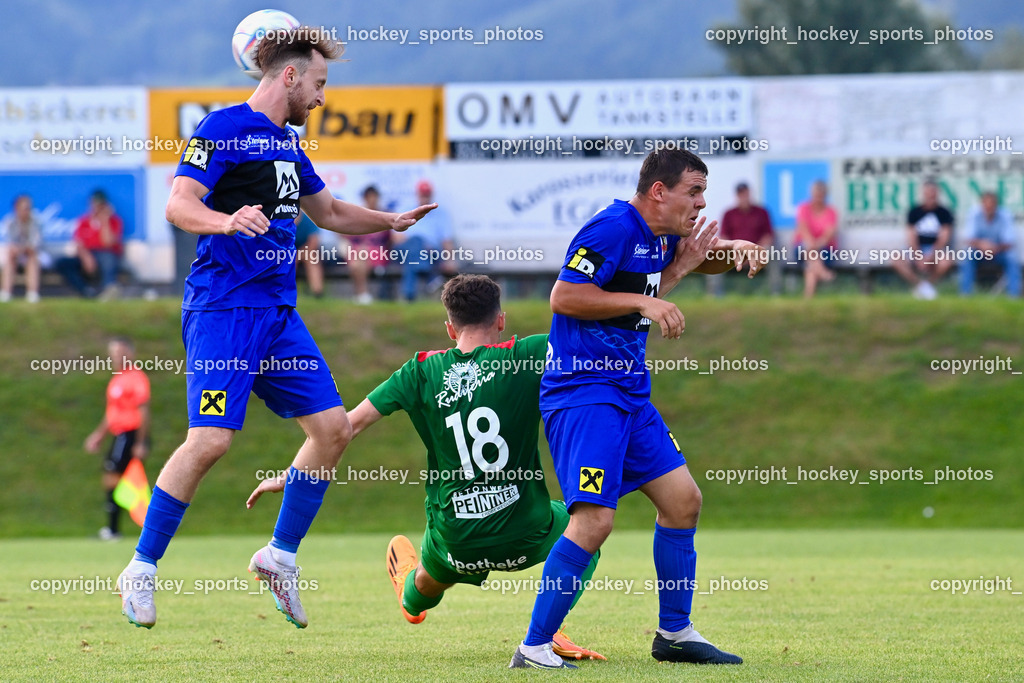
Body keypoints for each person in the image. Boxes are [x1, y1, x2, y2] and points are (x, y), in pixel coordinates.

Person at [115, 27, 436, 631]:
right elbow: (179, 204)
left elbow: (330, 212)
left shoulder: (288, 143)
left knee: (333, 429)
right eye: (318, 83)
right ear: (289, 76)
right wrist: (225, 219)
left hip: (277, 316)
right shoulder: (222, 128)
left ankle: (279, 557)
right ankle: (141, 567)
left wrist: (390, 219)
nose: (321, 96)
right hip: (223, 312)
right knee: (211, 441)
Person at [246, 274, 604, 661]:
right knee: (587, 533)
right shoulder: (529, 354)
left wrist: (293, 474)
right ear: (501, 321)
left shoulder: (418, 371)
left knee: (428, 585)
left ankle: (411, 593)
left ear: (450, 328)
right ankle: (546, 630)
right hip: (526, 530)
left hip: (457, 538)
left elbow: (345, 428)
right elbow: (592, 342)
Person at [510, 149, 765, 670]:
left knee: (683, 501)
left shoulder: (661, 233)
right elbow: (565, 296)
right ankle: (534, 647)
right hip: (585, 393)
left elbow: (696, 256)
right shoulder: (613, 228)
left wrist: (734, 248)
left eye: (704, 192)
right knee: (594, 522)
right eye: (694, 191)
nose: (702, 202)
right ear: (659, 192)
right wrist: (644, 302)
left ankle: (675, 633)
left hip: (628, 392)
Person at [85, 337, 151, 541]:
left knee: (116, 478)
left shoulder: (136, 378)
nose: (116, 357)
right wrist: (99, 435)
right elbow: (112, 413)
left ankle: (116, 529)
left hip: (130, 434)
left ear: (130, 353)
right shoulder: (117, 379)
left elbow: (144, 411)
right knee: (112, 478)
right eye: (113, 353)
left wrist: (140, 441)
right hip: (119, 434)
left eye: (120, 352)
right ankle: (114, 528)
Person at [891, 179, 955, 300]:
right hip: (916, 249)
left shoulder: (945, 213)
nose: (930, 196)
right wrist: (918, 256)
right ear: (923, 194)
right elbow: (911, 236)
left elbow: (944, 238)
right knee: (896, 258)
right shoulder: (914, 212)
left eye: (933, 193)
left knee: (946, 261)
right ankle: (920, 285)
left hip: (935, 250)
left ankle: (928, 285)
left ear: (937, 194)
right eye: (928, 192)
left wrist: (931, 256)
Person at [393, 180, 457, 301]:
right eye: (423, 195)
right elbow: (396, 238)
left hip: (430, 253)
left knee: (413, 259)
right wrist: (420, 244)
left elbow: (446, 241)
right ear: (417, 194)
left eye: (427, 195)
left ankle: (409, 295)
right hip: (406, 250)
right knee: (416, 242)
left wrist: (450, 260)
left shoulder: (441, 214)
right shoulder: (406, 209)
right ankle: (431, 278)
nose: (425, 198)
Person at [55, 190, 124, 300]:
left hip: (105, 253)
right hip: (88, 253)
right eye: (95, 204)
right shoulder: (84, 221)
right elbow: (78, 243)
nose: (97, 207)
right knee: (63, 263)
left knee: (108, 258)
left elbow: (108, 243)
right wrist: (86, 257)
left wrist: (105, 220)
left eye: (100, 204)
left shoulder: (114, 221)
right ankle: (86, 291)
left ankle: (109, 288)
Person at [712, 182, 774, 295]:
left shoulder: (762, 212)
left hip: (756, 250)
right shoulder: (729, 214)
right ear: (737, 196)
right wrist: (737, 252)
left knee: (773, 254)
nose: (744, 197)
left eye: (746, 194)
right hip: (734, 252)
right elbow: (724, 237)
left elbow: (768, 236)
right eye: (741, 194)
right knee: (715, 254)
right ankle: (715, 293)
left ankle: (774, 292)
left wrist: (754, 251)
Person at [959, 192, 1021, 297]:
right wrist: (982, 245)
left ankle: (1014, 295)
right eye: (986, 204)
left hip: (999, 252)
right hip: (979, 252)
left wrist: (994, 248)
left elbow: (1009, 242)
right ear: (982, 204)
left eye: (992, 204)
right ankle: (965, 294)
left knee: (1011, 257)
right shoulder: (974, 214)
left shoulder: (1005, 215)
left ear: (996, 205)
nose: (989, 207)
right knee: (967, 255)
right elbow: (968, 239)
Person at [344, 185, 392, 304]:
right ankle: (362, 294)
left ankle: (361, 294)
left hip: (379, 252)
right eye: (370, 197)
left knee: (359, 257)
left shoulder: (384, 215)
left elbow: (389, 239)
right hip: (358, 252)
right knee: (357, 260)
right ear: (365, 198)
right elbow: (349, 235)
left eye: (374, 197)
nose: (373, 200)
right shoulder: (358, 215)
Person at [793, 180, 838, 298]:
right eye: (816, 195)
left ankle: (808, 299)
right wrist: (811, 244)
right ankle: (824, 273)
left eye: (820, 195)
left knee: (810, 267)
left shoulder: (831, 212)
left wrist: (817, 245)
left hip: (824, 251)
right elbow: (803, 229)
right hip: (803, 249)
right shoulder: (804, 208)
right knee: (810, 253)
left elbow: (829, 234)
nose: (818, 198)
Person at [1, 194, 42, 303]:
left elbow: (35, 243)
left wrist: (23, 248)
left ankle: (32, 293)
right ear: (17, 208)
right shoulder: (10, 221)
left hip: (35, 253)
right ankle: (6, 292)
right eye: (24, 208)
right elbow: (10, 241)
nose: (27, 211)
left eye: (29, 208)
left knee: (32, 257)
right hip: (16, 253)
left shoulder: (37, 221)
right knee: (10, 256)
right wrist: (17, 249)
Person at [294, 212, 325, 298]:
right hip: (286, 252)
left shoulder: (308, 219)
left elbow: (313, 243)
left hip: (306, 251)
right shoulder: (281, 220)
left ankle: (317, 292)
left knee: (312, 259)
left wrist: (298, 255)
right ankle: (284, 291)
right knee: (287, 260)